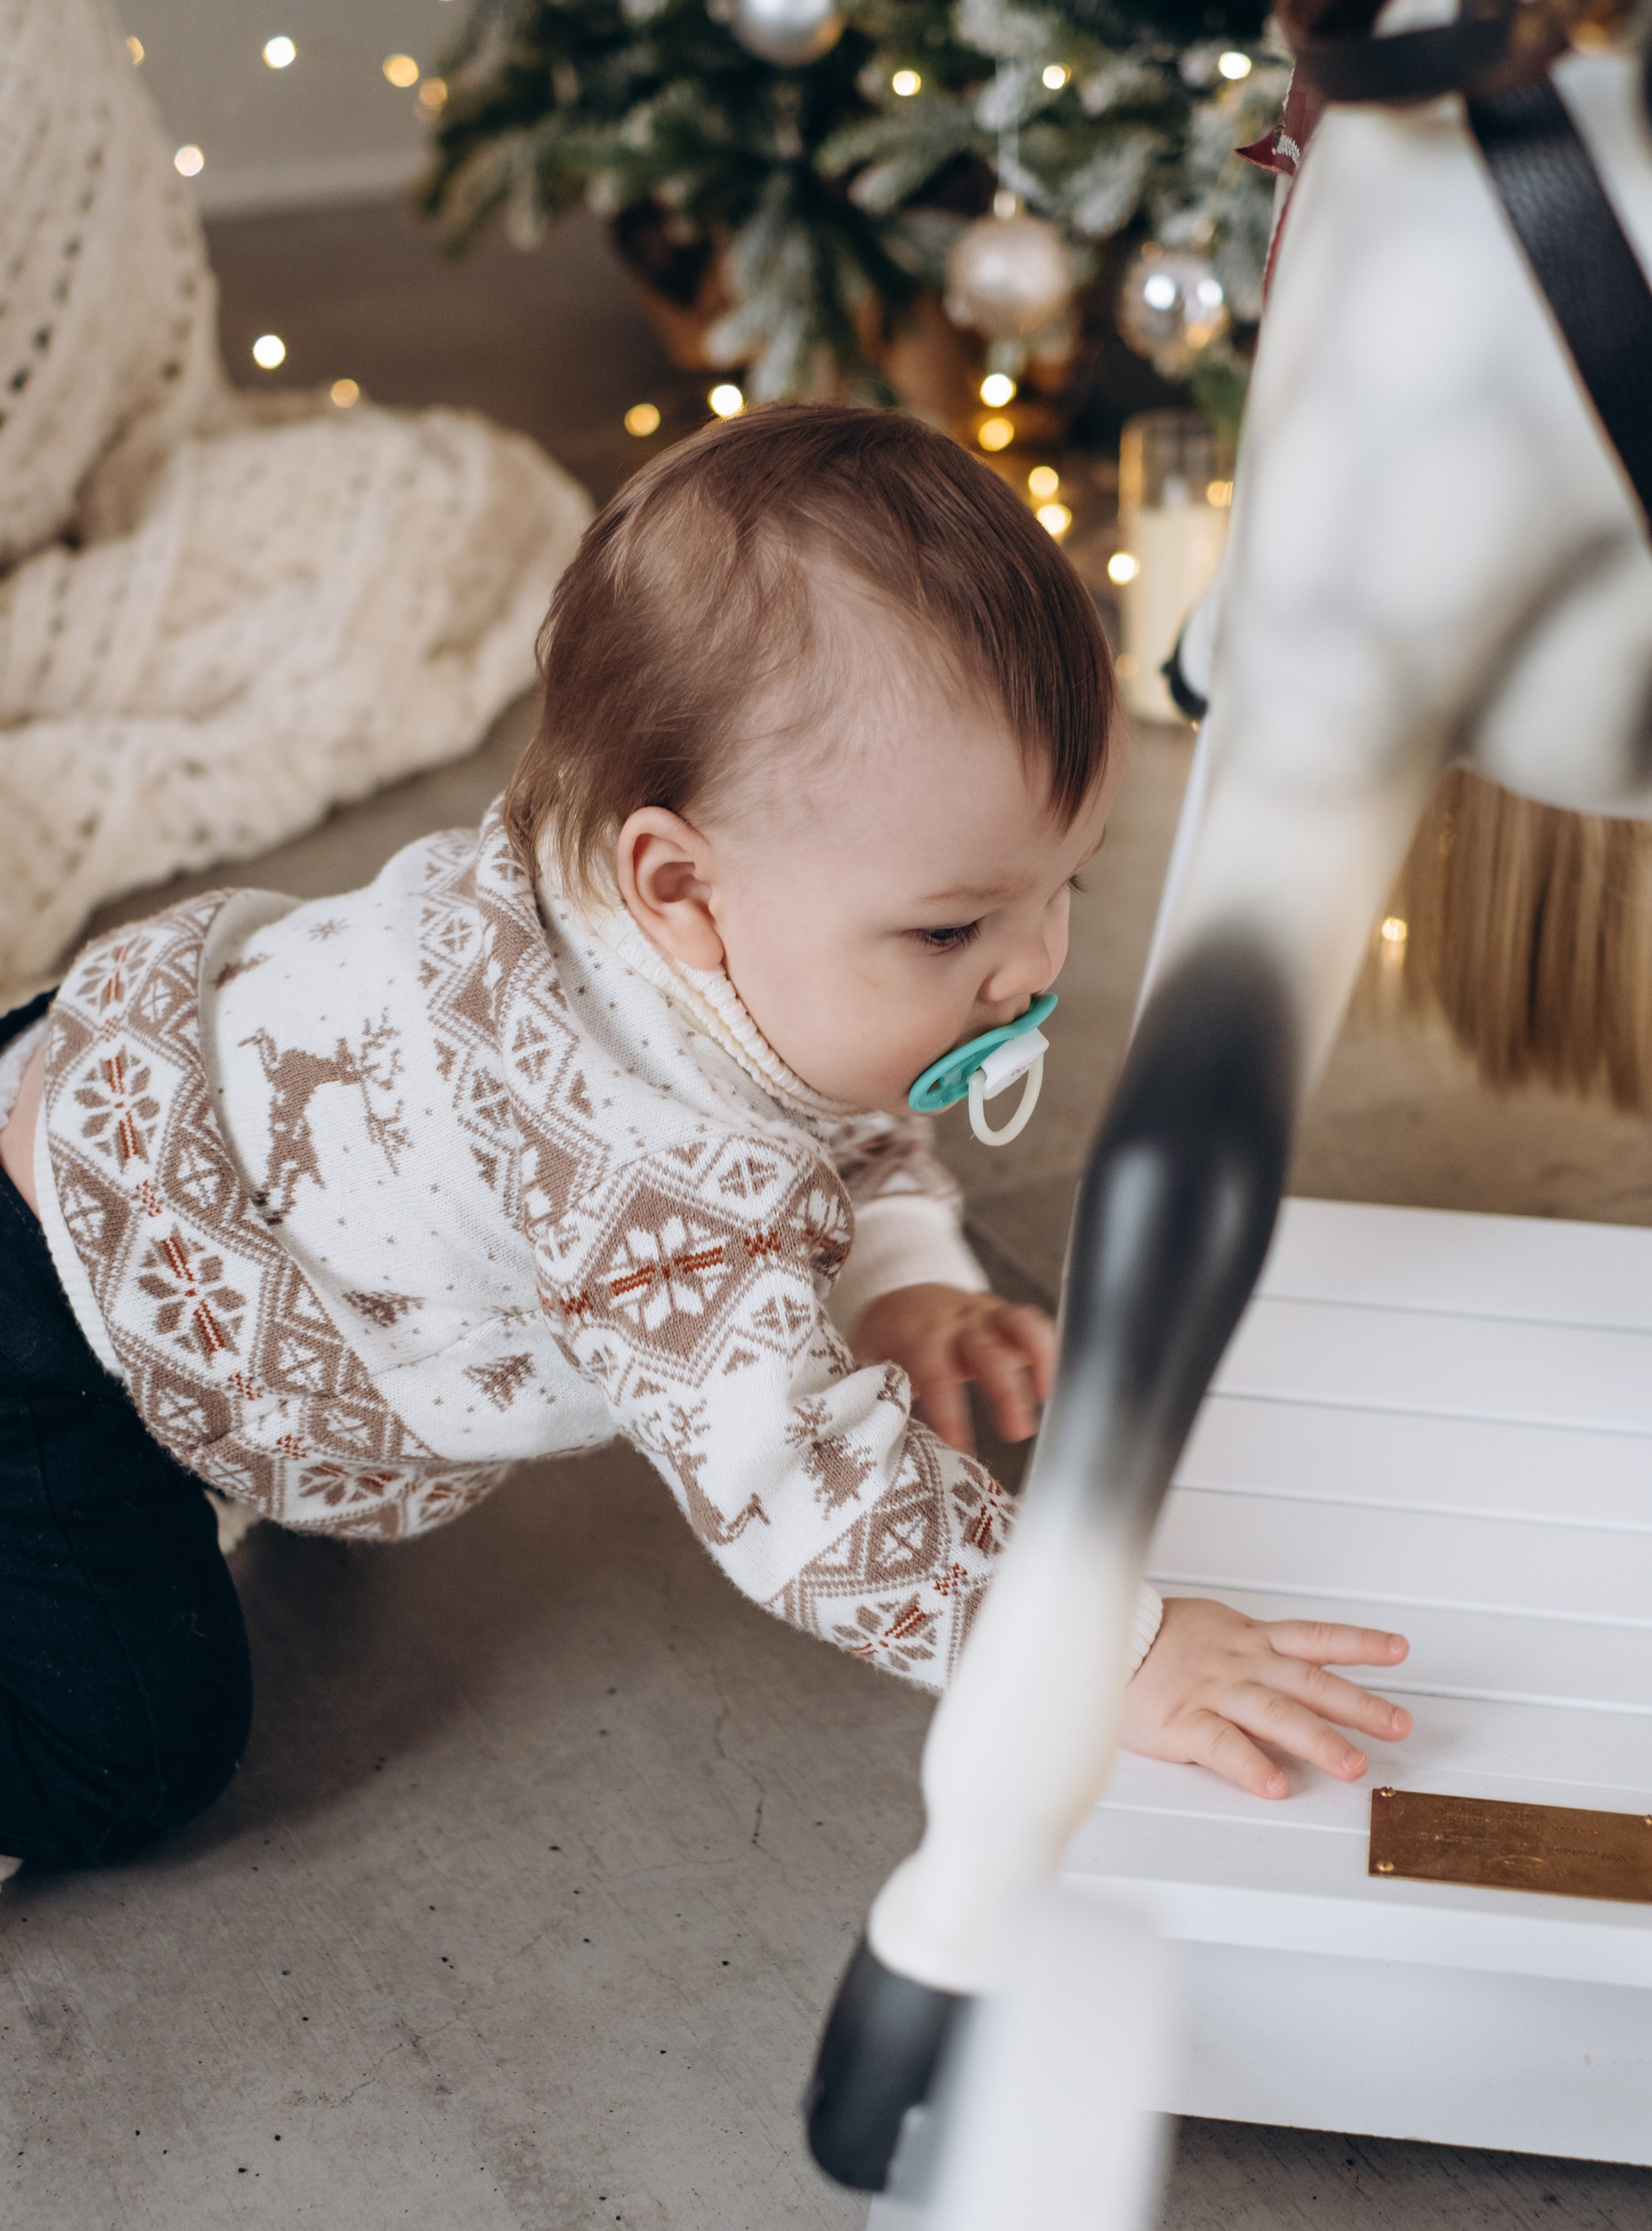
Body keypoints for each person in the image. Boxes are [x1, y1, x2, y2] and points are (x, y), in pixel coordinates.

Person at [0, 404, 1409, 1873]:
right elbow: (802, 1486)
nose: (1027, 968)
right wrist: (1110, 1651)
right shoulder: (647, 1178)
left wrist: (898, 1273)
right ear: (675, 885)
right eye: (949, 926)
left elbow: (827, 1108)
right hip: (58, 1309)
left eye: (1064, 883)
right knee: (134, 1749)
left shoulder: (657, 904)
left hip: (106, 1080)